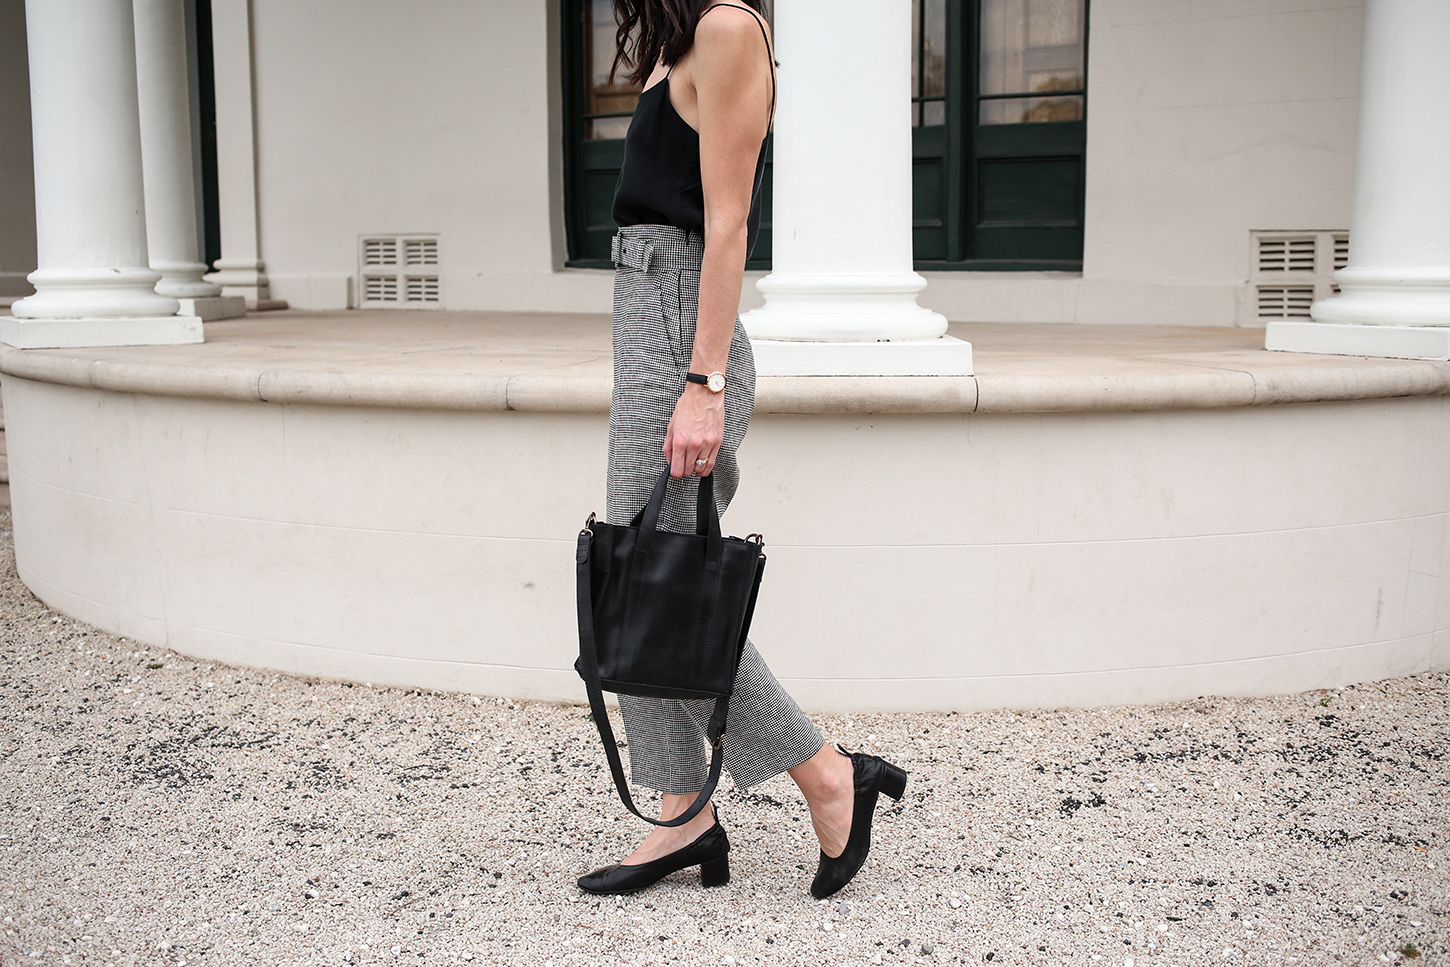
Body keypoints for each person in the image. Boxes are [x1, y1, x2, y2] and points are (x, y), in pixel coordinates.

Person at [577, 0, 908, 901]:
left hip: (682, 324)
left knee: (656, 579)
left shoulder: (728, 30)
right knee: (641, 572)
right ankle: (684, 813)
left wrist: (704, 384)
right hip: (649, 314)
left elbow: (727, 225)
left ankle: (829, 772)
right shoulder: (680, 38)